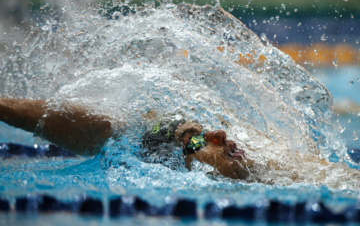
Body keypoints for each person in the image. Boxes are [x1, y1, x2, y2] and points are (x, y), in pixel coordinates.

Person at [0, 97, 253, 180]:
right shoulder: (180, 137)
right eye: (218, 138)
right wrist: (194, 140)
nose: (222, 136)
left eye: (220, 141)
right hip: (143, 135)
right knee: (106, 129)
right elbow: (186, 132)